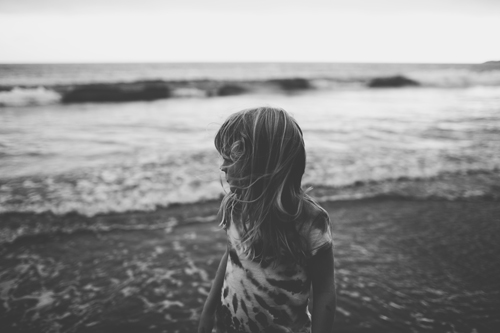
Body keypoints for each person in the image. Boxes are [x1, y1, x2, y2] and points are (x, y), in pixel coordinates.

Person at [198, 107, 336, 333]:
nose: (222, 167)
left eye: (230, 158)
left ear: (262, 163)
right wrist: (208, 311)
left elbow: (324, 292)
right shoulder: (236, 207)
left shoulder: (310, 221)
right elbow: (231, 256)